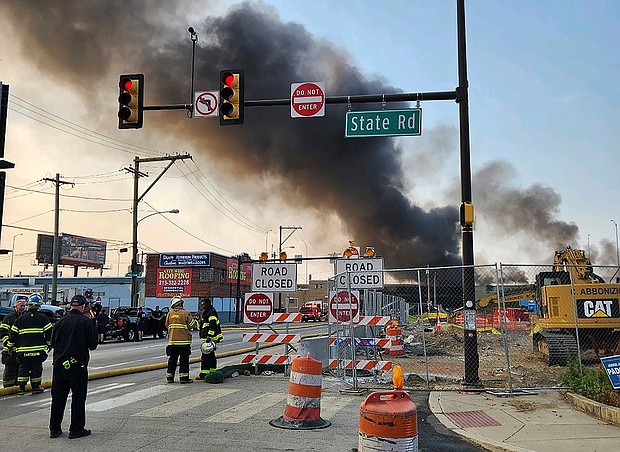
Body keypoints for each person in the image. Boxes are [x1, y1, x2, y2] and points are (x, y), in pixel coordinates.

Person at [48, 294, 98, 439]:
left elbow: (52, 343)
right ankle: (76, 430)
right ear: (83, 306)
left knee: (58, 397)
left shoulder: (59, 322)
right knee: (78, 397)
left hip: (59, 364)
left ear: (71, 306)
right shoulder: (86, 322)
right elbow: (93, 345)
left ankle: (54, 429)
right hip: (78, 365)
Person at [7, 294, 52, 394]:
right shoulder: (43, 318)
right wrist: (49, 344)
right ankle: (35, 387)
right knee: (36, 369)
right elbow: (49, 333)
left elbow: (13, 334)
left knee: (23, 369)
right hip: (37, 351)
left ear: (29, 305)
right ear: (39, 306)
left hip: (23, 351)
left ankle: (21, 388)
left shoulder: (20, 319)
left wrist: (10, 346)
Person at [164, 296, 195, 384]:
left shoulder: (169, 314)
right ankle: (184, 378)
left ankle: (170, 377)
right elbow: (191, 325)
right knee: (184, 360)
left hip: (172, 342)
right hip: (184, 342)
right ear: (180, 303)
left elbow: (166, 325)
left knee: (172, 360)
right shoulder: (185, 313)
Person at [0, 297, 26, 387]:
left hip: (21, 350)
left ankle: (18, 387)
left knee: (21, 371)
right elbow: (3, 332)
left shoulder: (25, 318)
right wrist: (8, 344)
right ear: (15, 306)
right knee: (10, 372)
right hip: (10, 352)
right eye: (21, 306)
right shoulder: (9, 318)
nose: (22, 308)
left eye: (24, 306)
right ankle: (8, 388)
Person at [195, 298, 223, 380]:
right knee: (211, 356)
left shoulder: (211, 313)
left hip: (210, 338)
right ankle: (212, 371)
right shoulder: (207, 312)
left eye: (204, 304)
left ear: (208, 304)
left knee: (206, 356)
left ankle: (203, 374)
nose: (202, 306)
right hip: (208, 337)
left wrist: (209, 337)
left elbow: (212, 325)